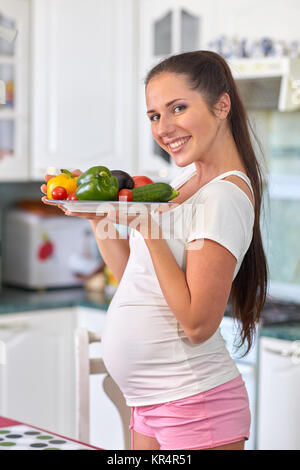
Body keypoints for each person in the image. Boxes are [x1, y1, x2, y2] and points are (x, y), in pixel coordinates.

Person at [42, 50, 268, 451]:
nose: (163, 128)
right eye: (153, 115)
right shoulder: (184, 182)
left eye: (178, 108)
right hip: (149, 403)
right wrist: (99, 220)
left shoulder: (224, 198)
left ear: (222, 105)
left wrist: (149, 230)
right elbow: (137, 275)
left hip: (195, 405)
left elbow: (199, 325)